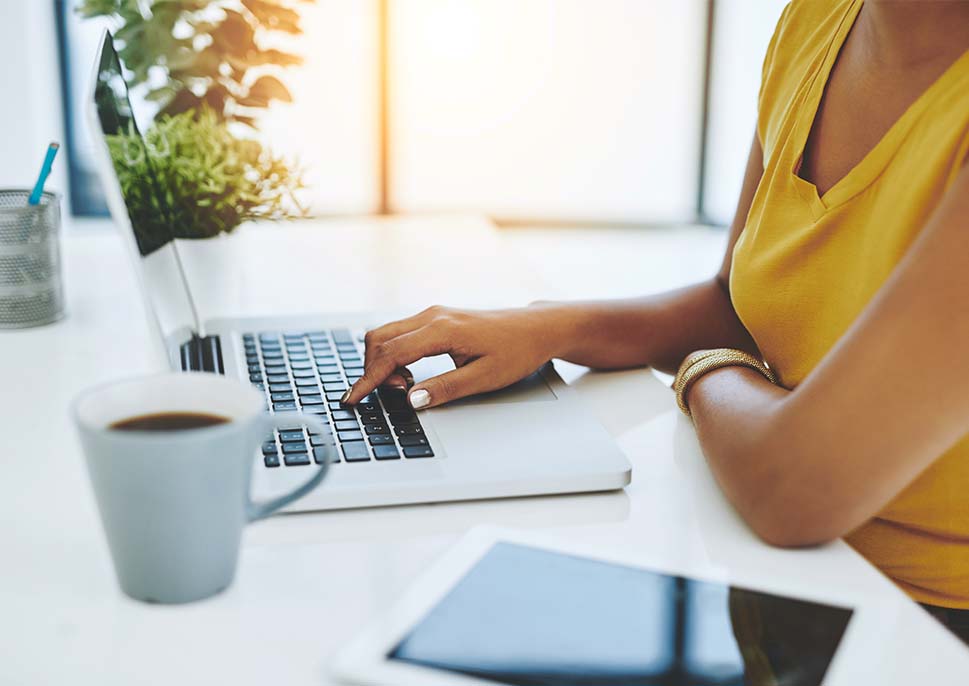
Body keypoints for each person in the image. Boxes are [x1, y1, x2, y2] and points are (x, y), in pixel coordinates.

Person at [343, 0, 969, 641]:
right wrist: (548, 327)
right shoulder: (816, 19)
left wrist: (705, 368)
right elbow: (735, 307)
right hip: (768, 565)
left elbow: (796, 490)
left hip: (928, 629)